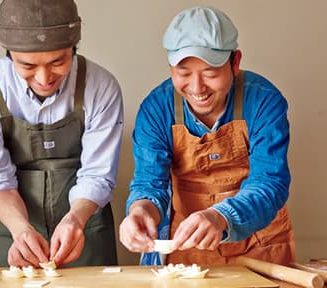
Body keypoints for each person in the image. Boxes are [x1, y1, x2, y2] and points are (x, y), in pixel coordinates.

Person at [119, 6, 295, 266]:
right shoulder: (156, 109)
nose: (196, 87)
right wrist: (140, 210)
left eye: (210, 73)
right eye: (184, 73)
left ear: (235, 63)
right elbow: (149, 183)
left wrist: (221, 216)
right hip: (187, 246)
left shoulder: (264, 101)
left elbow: (269, 183)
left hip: (262, 244)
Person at [0, 0, 123, 274]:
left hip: (84, 223)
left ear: (74, 47)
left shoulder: (101, 86)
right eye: (27, 65)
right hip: (8, 226)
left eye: (58, 61)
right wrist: (20, 230)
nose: (44, 77)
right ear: (9, 53)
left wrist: (75, 220)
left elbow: (97, 174)